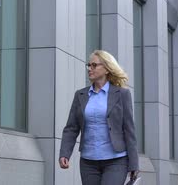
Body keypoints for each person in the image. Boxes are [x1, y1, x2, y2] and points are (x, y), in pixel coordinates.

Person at [59, 50, 139, 185]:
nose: (90, 69)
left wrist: (134, 164)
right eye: (88, 65)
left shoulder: (122, 94)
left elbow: (129, 130)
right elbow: (71, 128)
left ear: (107, 69)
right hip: (88, 162)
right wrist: (64, 153)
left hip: (116, 160)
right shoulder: (80, 95)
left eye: (94, 65)